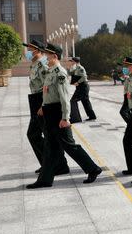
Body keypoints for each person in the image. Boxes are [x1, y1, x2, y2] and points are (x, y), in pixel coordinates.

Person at [27, 43, 102, 189]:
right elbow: (48, 92)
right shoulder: (50, 71)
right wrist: (43, 107)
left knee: (69, 146)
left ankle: (93, 169)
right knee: (50, 147)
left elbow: (64, 98)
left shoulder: (60, 73)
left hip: (57, 113)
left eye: (48, 54)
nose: (45, 57)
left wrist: (65, 118)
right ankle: (45, 180)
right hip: (49, 111)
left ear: (54, 56)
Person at [24, 39, 68, 176]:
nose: (28, 52)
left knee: (45, 135)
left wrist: (44, 105)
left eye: (31, 49)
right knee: (38, 134)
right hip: (35, 99)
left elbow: (47, 87)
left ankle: (57, 165)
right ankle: (48, 163)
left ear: (38, 50)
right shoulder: (35, 63)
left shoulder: (43, 64)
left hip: (42, 100)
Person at [67, 56, 97, 123]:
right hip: (80, 87)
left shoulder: (80, 68)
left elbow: (84, 77)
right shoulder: (76, 68)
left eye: (72, 61)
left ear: (75, 61)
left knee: (73, 101)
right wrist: (69, 68)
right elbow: (71, 74)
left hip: (83, 87)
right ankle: (92, 116)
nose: (71, 62)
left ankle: (76, 118)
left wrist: (77, 82)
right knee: (85, 102)